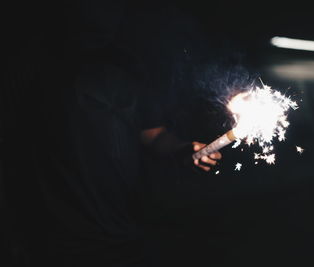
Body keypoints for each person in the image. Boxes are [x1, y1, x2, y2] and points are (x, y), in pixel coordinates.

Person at [27, 1, 222, 266]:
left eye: (113, 8)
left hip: (124, 228)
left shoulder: (127, 67)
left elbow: (153, 134)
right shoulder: (38, 66)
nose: (106, 15)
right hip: (63, 236)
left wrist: (183, 148)